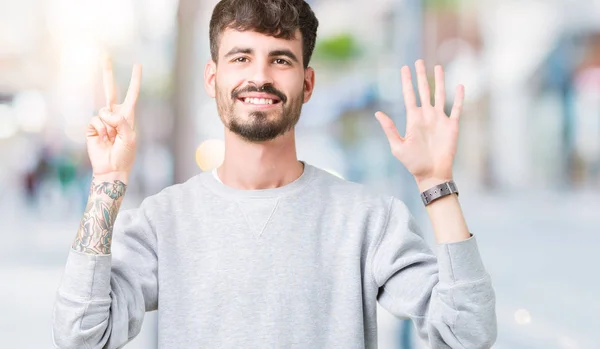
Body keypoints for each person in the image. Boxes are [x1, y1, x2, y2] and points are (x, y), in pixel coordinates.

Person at [52, 0, 497, 348]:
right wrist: (107, 184)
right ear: (213, 78)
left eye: (280, 60)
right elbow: (80, 335)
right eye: (241, 58)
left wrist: (435, 182)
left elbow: (468, 333)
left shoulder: (367, 220)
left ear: (307, 83)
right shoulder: (162, 221)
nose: (259, 77)